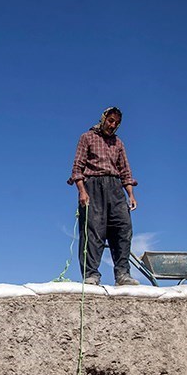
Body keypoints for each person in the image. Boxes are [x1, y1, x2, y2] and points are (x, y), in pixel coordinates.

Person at [68, 106, 140, 286]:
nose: (113, 125)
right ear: (103, 119)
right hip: (93, 185)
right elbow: (77, 167)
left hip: (115, 188)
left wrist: (130, 195)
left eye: (116, 123)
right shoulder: (87, 137)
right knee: (93, 230)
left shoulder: (118, 143)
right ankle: (91, 274)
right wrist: (82, 191)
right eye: (110, 121)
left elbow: (125, 171)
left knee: (123, 228)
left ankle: (123, 274)